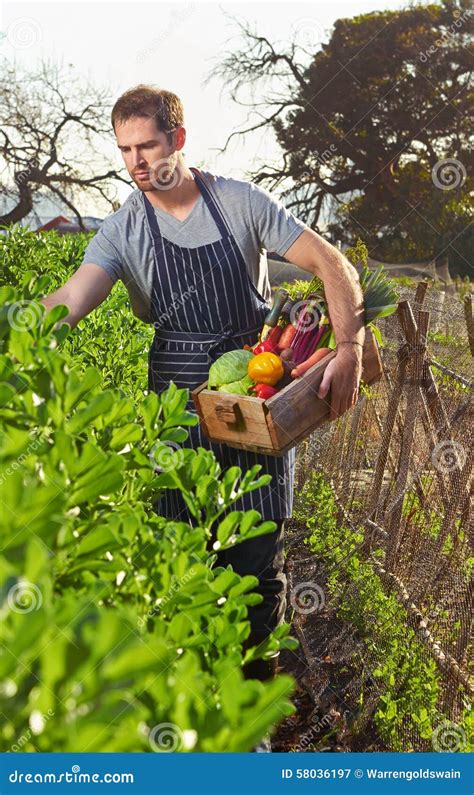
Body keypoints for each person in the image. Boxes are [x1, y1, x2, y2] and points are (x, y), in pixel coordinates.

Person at [40, 83, 364, 703]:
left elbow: (332, 264)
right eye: (124, 150)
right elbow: (69, 302)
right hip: (176, 417)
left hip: (252, 406)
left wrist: (347, 348)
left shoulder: (239, 203)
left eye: (148, 145)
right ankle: (193, 723)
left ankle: (251, 727)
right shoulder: (123, 229)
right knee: (183, 568)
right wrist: (16, 329)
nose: (136, 162)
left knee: (255, 570)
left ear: (178, 140)